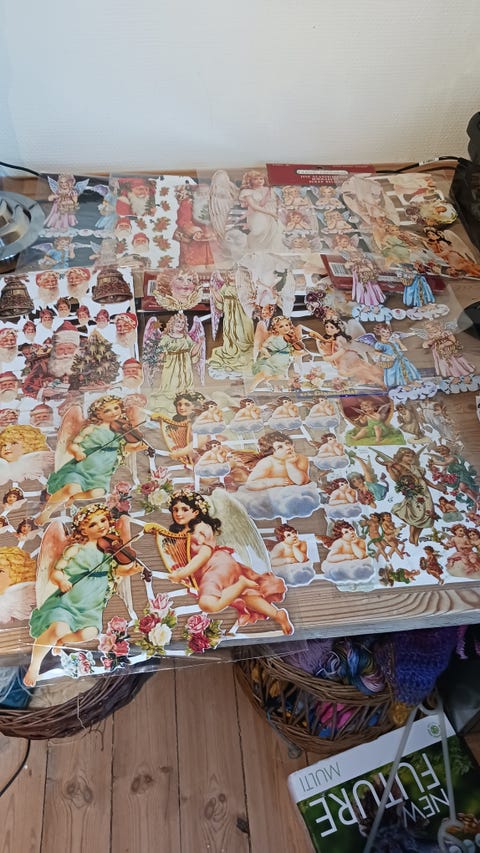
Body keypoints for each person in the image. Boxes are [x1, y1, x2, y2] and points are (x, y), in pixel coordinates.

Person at [24, 503, 142, 686]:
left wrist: (130, 570)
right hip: (68, 601)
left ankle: (62, 641)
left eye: (103, 520)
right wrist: (62, 581)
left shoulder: (108, 550)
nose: (101, 526)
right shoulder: (76, 549)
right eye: (93, 524)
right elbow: (56, 571)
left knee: (89, 633)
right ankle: (34, 666)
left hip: (91, 605)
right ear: (84, 530)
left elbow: (116, 572)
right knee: (57, 628)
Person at [147, 490, 292, 632]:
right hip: (216, 567)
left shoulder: (201, 528)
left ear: (196, 512)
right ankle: (277, 614)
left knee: (208, 604)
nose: (178, 513)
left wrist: (182, 574)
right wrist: (157, 534)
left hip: (217, 566)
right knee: (244, 595)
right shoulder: (184, 530)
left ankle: (241, 583)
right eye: (175, 510)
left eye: (184, 509)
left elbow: (203, 555)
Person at [37, 395, 147, 523]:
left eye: (116, 408)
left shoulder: (119, 432)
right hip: (82, 467)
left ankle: (73, 497)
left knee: (97, 493)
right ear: (99, 414)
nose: (113, 412)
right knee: (71, 488)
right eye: (107, 410)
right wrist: (77, 452)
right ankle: (46, 512)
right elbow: (73, 444)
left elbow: (124, 448)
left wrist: (137, 447)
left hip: (101, 472)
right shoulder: (92, 428)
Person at [245, 432, 310, 491]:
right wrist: (274, 482)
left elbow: (301, 481)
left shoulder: (300, 458)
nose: (287, 447)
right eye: (280, 447)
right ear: (271, 453)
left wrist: (290, 464)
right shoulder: (267, 462)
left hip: (295, 492)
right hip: (273, 493)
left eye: (287, 443)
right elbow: (249, 484)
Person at [239, 170, 285, 253]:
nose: (259, 181)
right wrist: (270, 213)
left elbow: (277, 202)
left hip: (273, 212)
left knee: (274, 232)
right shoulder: (247, 192)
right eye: (255, 179)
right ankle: (253, 250)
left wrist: (276, 211)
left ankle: (270, 252)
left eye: (261, 178)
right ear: (250, 181)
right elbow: (253, 206)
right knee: (259, 231)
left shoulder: (270, 190)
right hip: (257, 214)